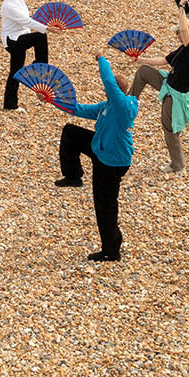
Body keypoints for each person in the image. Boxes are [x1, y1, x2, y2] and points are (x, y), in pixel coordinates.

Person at [54, 55, 141, 262]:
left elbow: (109, 82)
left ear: (120, 93)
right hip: (101, 149)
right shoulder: (108, 105)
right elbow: (79, 109)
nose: (108, 92)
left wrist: (102, 59)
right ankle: (73, 176)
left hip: (112, 162)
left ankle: (111, 250)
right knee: (71, 132)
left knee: (105, 206)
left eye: (112, 92)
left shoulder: (123, 107)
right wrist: (53, 100)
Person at [130, 13, 189, 172]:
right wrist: (141, 59)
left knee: (169, 129)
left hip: (177, 95)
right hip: (168, 82)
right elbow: (164, 60)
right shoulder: (183, 48)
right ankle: (127, 102)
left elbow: (184, 30)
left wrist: (181, 7)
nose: (177, 34)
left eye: (178, 32)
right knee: (143, 72)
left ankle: (178, 164)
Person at [0, 0, 63, 111]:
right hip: (13, 41)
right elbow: (26, 21)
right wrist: (47, 28)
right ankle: (40, 65)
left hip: (20, 37)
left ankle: (10, 105)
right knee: (40, 36)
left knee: (16, 71)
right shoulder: (9, 6)